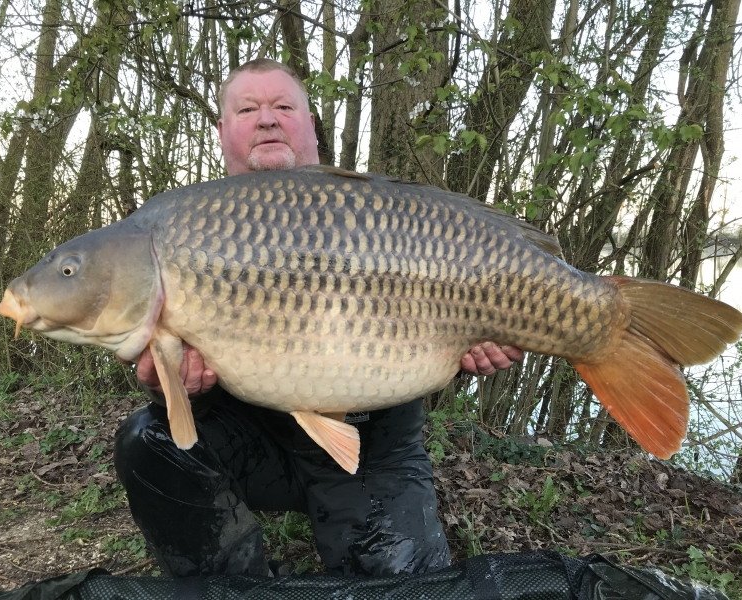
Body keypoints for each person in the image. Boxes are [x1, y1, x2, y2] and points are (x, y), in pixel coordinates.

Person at [114, 58, 523, 578]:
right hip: (254, 444)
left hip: (371, 453)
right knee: (148, 443)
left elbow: (433, 351)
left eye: (283, 107)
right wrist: (172, 385)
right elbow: (179, 379)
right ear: (223, 131)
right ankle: (235, 584)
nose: (267, 119)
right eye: (248, 109)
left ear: (310, 124)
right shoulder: (189, 228)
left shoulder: (381, 211)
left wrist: (472, 353)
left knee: (409, 589)